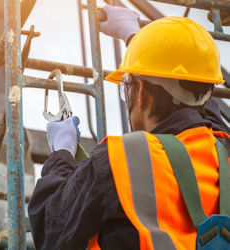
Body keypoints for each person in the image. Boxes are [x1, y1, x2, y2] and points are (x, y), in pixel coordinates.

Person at [28, 5, 230, 250]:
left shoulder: (120, 159)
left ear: (141, 93)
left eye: (127, 86)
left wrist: (61, 153)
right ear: (208, 96)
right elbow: (195, 100)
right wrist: (134, 37)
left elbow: (49, 229)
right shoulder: (223, 150)